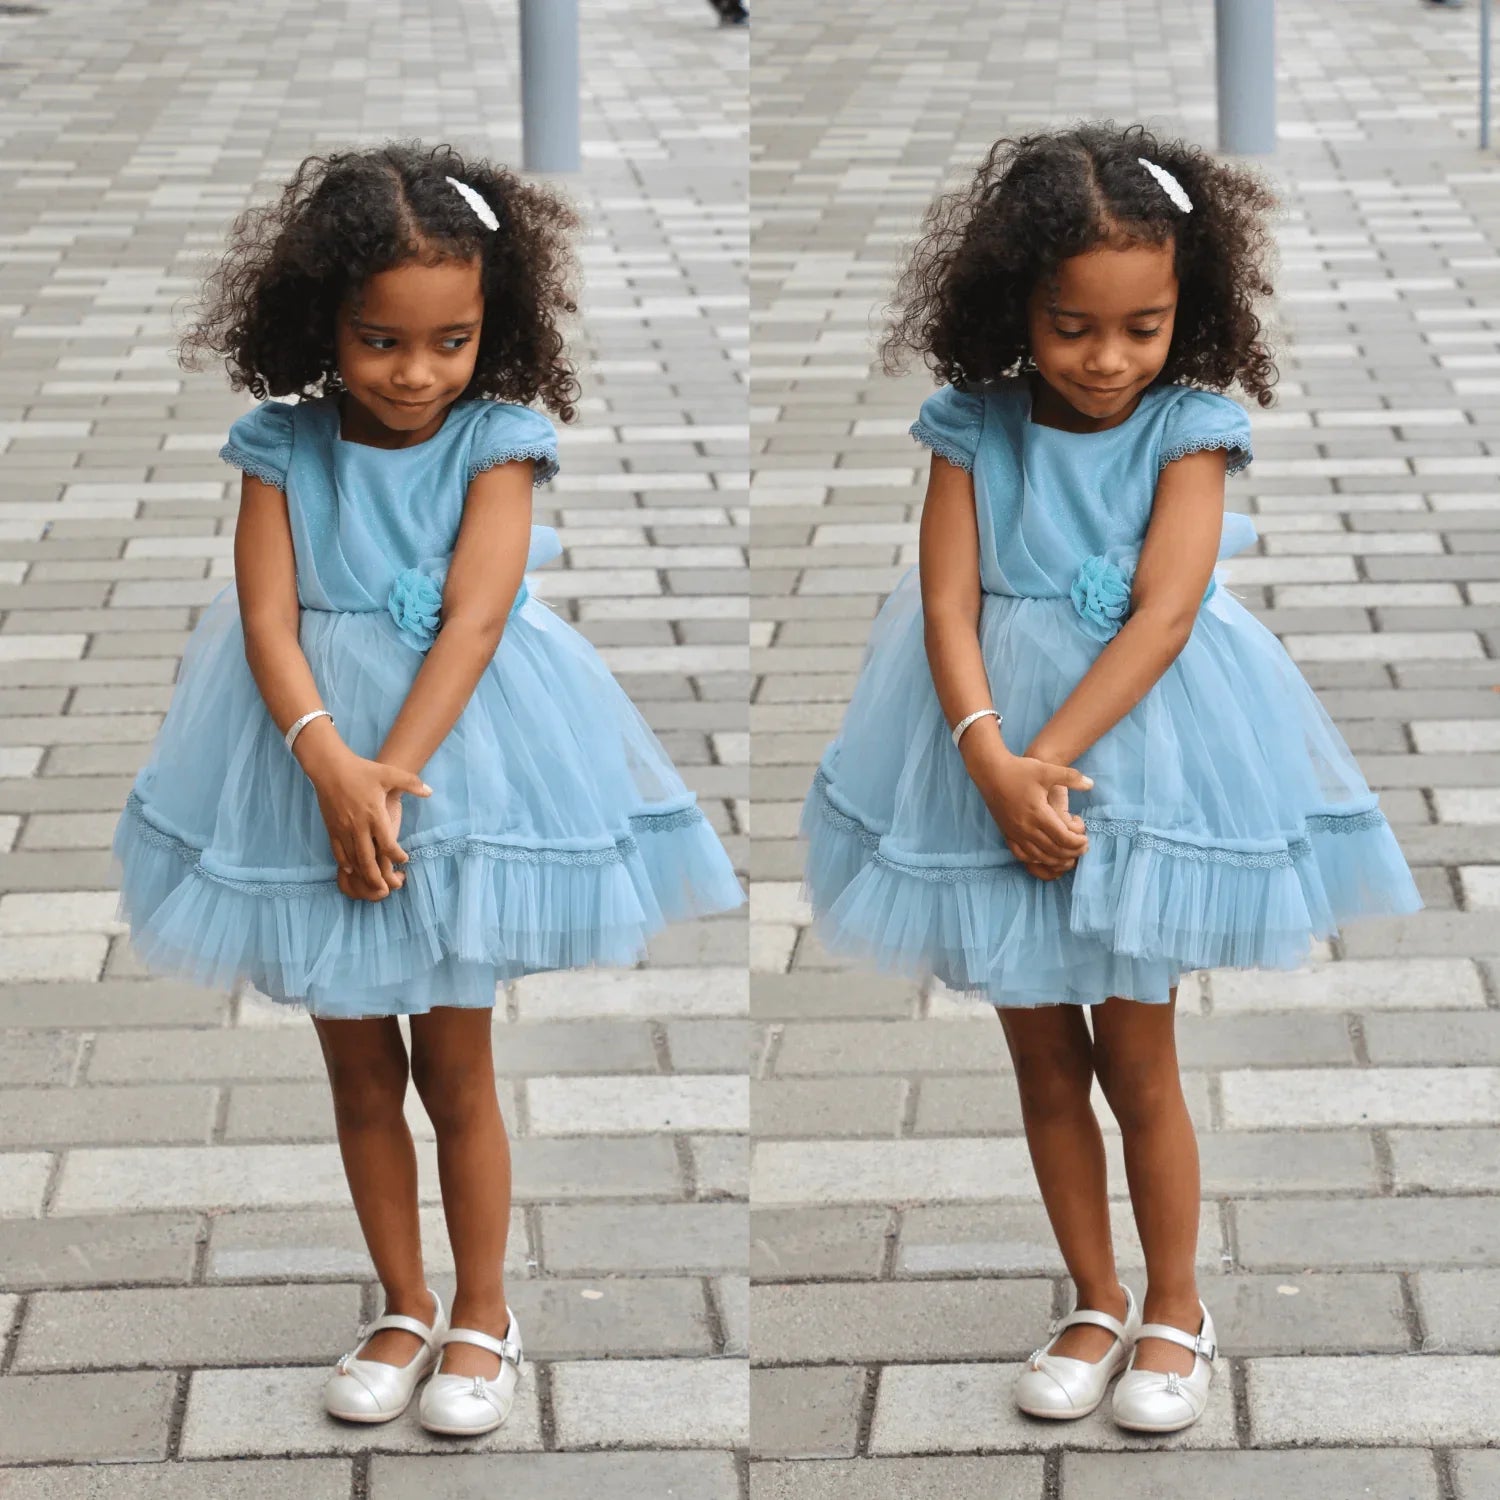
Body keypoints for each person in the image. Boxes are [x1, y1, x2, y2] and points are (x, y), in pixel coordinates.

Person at [111, 141, 744, 1437]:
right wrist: (329, 762)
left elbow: (472, 620)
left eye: (449, 341)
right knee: (354, 1067)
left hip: (456, 764)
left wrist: (393, 773)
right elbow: (268, 622)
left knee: (455, 1066)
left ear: (490, 328)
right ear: (318, 322)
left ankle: (483, 1308)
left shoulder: (497, 442)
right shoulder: (281, 448)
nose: (415, 374)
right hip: (305, 756)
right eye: (379, 341)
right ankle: (400, 1301)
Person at [799, 122, 1422, 1435]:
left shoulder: (1190, 427)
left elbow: (1164, 614)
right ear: (1012, 303)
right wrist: (989, 762)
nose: (1107, 357)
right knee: (1039, 1055)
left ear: (1186, 311)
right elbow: (948, 607)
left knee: (1138, 1056)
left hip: (1135, 755)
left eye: (1143, 325)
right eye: (1074, 325)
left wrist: (1052, 763)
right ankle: (1091, 1295)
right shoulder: (971, 426)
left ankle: (1177, 1305)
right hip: (982, 751)